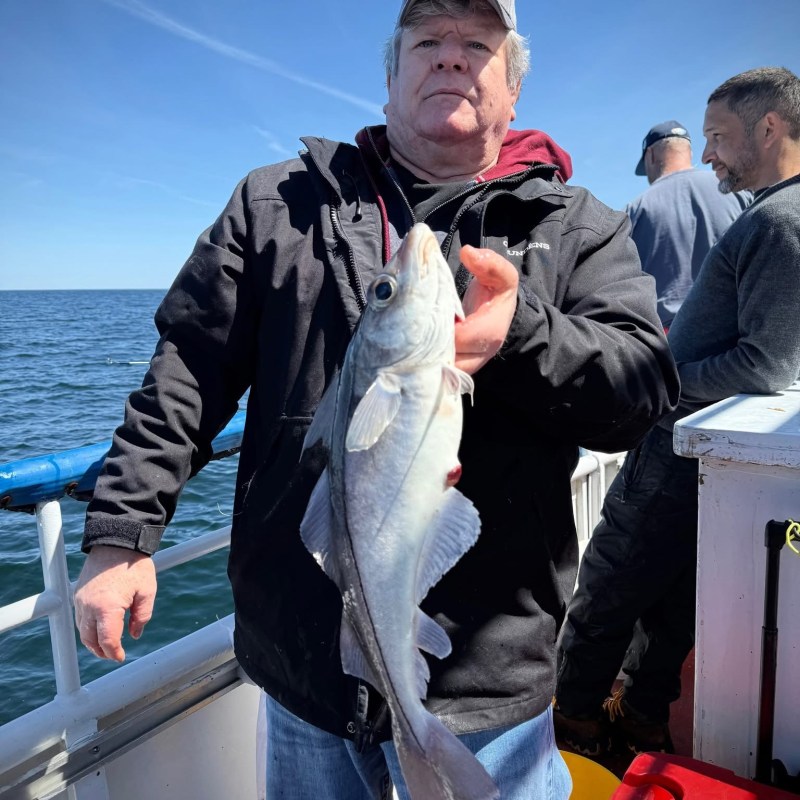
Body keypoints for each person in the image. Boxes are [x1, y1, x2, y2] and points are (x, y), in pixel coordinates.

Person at [72, 1, 679, 797]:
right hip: (301, 660)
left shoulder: (576, 228)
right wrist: (121, 533)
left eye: (477, 44)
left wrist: (522, 333)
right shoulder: (278, 203)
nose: (450, 58)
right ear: (389, 78)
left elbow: (642, 392)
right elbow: (189, 367)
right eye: (427, 41)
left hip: (488, 673)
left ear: (513, 89)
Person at [555, 66, 800, 759]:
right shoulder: (769, 213)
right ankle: (639, 714)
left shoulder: (781, 221)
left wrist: (660, 379)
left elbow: (766, 364)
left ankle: (573, 721)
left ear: (769, 128)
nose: (710, 154)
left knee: (610, 578)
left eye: (719, 137)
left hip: (679, 435)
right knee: (674, 594)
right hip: (702, 446)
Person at [628, 119, 750, 331]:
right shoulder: (738, 190)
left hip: (669, 339)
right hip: (736, 330)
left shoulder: (635, 210)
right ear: (690, 152)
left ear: (651, 155)